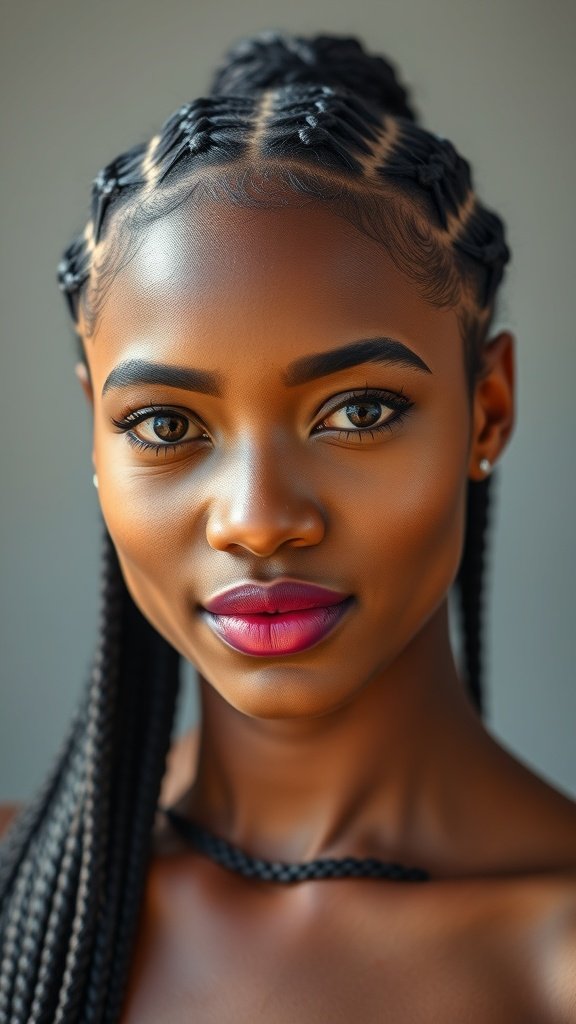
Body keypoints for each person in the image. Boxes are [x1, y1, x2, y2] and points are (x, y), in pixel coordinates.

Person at [1, 28, 575, 1024]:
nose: (260, 521)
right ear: (96, 434)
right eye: (168, 425)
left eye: (358, 411)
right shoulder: (23, 902)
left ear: (488, 411)